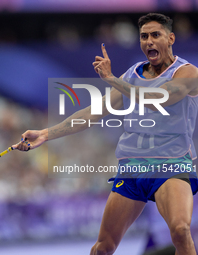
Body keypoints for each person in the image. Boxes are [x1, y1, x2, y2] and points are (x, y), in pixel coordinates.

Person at [14, 13, 198, 255]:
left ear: (171, 38)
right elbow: (93, 113)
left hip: (172, 166)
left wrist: (111, 79)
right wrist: (46, 133)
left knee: (181, 231)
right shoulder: (133, 74)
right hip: (132, 168)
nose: (149, 41)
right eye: (144, 36)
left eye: (156, 35)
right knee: (103, 248)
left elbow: (158, 99)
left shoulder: (187, 73)